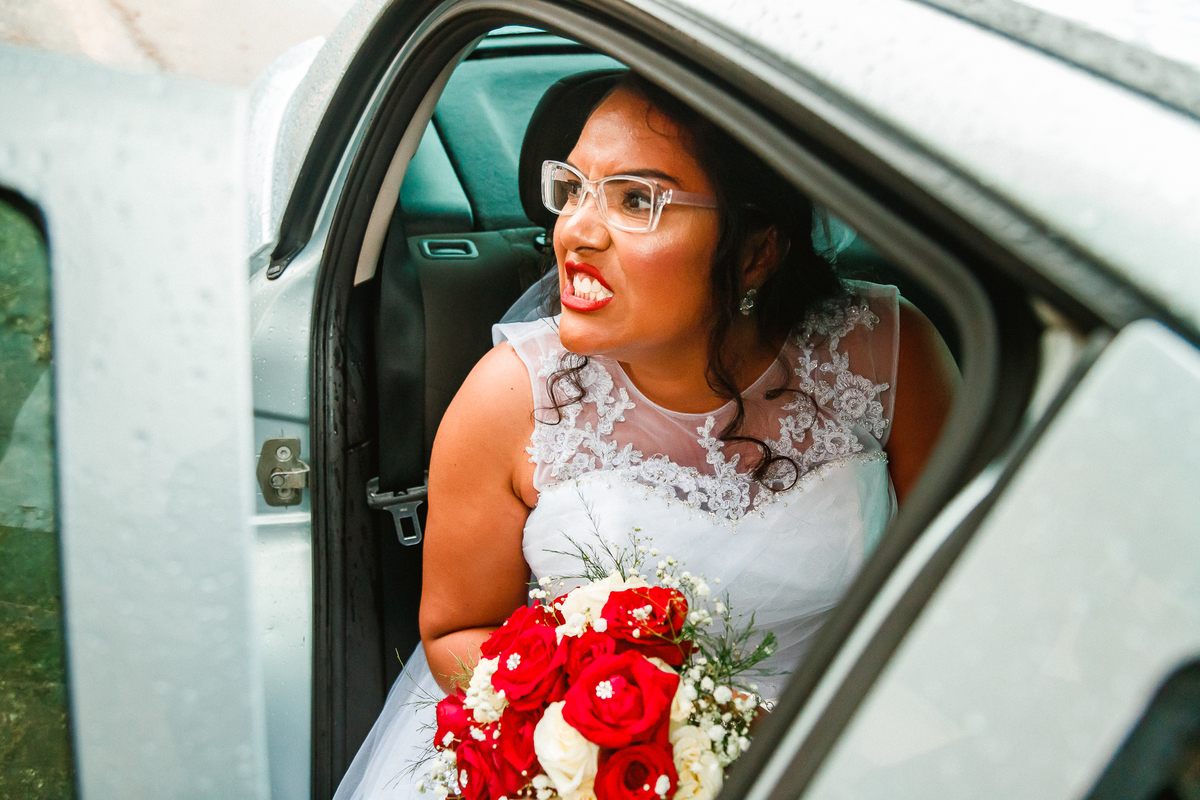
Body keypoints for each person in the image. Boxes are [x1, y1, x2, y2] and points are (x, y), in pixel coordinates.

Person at [334, 72, 958, 800]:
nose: (576, 230)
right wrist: (617, 746)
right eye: (573, 189)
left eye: (635, 200)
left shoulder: (889, 353)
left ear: (755, 251)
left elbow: (975, 584)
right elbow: (455, 633)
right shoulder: (506, 399)